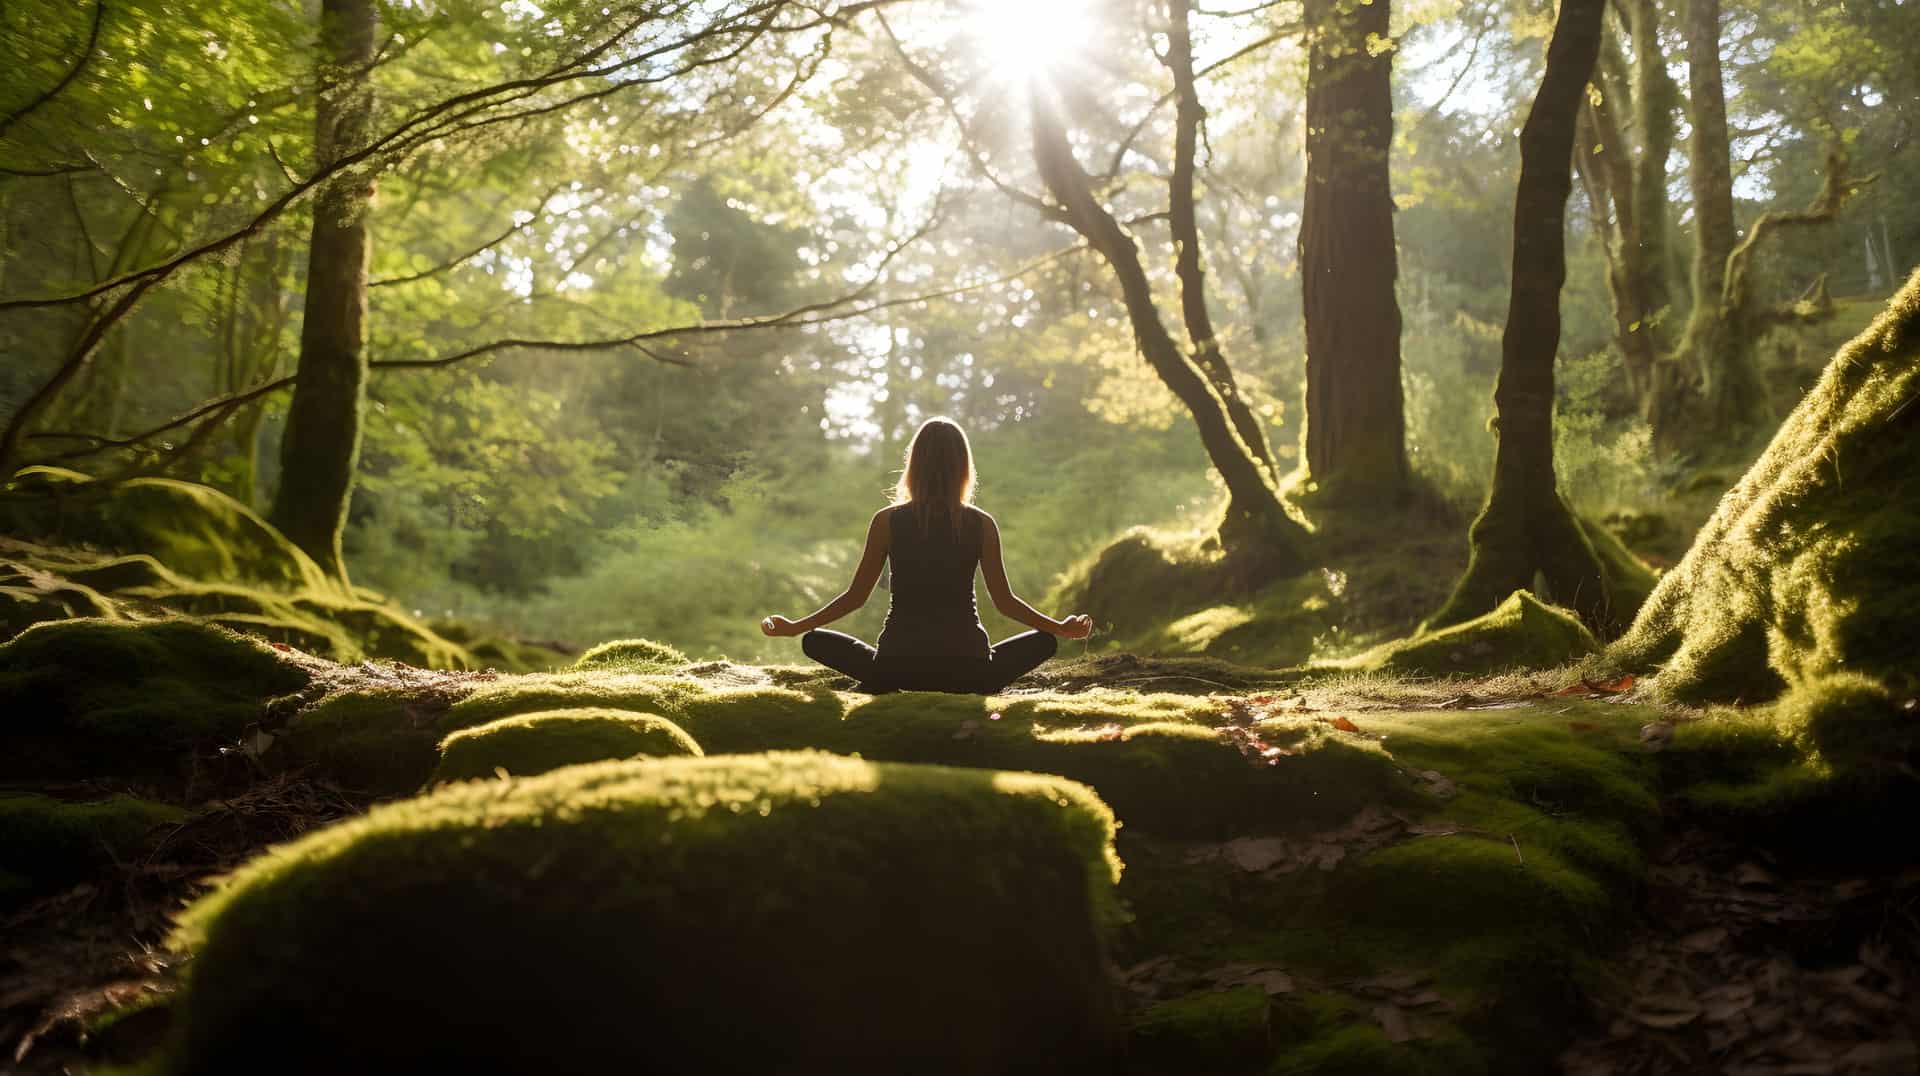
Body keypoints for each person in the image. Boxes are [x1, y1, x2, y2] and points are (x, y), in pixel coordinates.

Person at [760, 417, 1092, 694]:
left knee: (814, 642)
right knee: (1043, 642)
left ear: (914, 465)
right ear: (963, 467)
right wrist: (1058, 628)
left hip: (898, 665)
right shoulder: (982, 524)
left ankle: (882, 678)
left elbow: (855, 597)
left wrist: (797, 627)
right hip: (970, 669)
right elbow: (1005, 602)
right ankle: (975, 681)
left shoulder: (886, 521)